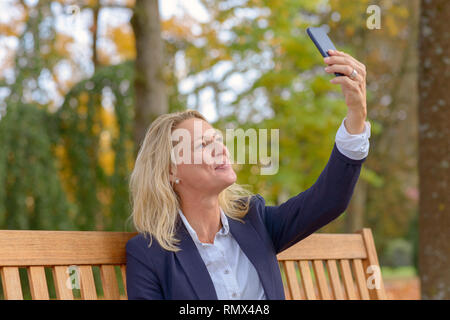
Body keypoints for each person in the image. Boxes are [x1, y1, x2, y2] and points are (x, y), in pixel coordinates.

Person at [126, 50, 371, 299]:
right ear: (170, 170)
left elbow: (329, 200)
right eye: (202, 145)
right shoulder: (149, 253)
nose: (221, 149)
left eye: (218, 140)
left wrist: (356, 117)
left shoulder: (254, 219)